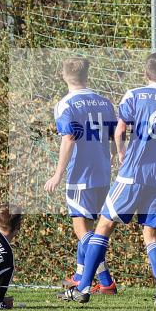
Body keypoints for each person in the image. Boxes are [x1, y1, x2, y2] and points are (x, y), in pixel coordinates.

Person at [58, 52, 156, 305]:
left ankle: (85, 287)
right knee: (152, 235)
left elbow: (120, 131)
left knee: (104, 226)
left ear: (146, 72)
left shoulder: (133, 95)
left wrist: (121, 152)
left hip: (132, 174)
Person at [44, 57, 118, 294]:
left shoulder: (65, 104)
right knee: (92, 228)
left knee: (81, 228)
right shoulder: (105, 103)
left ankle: (105, 281)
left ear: (64, 76)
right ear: (87, 76)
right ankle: (79, 274)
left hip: (80, 174)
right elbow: (116, 135)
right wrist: (117, 156)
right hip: (103, 173)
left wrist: (57, 174)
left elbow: (68, 138)